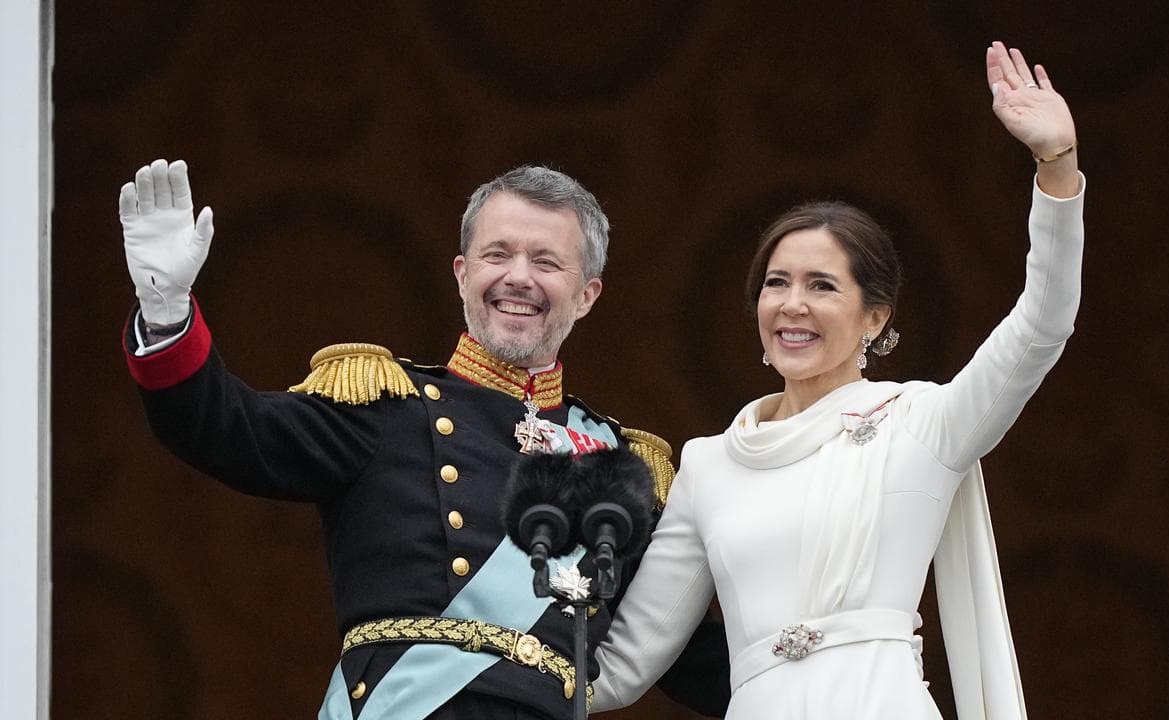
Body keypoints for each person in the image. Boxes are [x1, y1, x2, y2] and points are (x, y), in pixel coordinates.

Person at [117, 163, 730, 719]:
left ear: (587, 294)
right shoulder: (382, 405)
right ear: (462, 273)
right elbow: (226, 429)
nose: (518, 277)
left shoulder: (619, 469)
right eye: (497, 254)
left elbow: (693, 654)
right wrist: (167, 311)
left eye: (546, 261)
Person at [589, 41, 1084, 719]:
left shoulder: (924, 423)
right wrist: (467, 655)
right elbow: (618, 669)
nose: (793, 305)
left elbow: (1042, 326)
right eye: (776, 284)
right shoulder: (708, 466)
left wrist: (1056, 167)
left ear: (874, 317)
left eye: (823, 286)